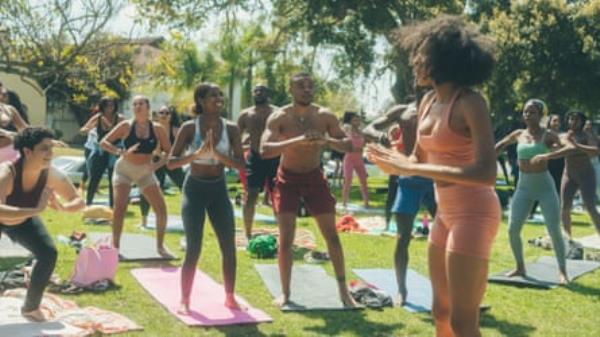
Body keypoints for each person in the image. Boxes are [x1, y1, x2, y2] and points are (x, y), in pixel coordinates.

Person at [368, 15, 498, 336]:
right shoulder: (427, 102)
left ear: (442, 60)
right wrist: (400, 158)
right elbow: (418, 159)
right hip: (445, 214)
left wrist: (410, 168)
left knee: (463, 321)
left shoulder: (470, 103)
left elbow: (487, 172)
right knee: (440, 310)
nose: (415, 60)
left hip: (475, 213)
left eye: (422, 53)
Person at [260, 72, 357, 307]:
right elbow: (264, 149)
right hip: (287, 180)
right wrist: (297, 141)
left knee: (331, 236)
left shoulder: (324, 115)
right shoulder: (279, 117)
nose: (306, 90)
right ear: (291, 90)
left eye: (310, 86)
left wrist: (326, 141)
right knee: (286, 239)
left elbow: (348, 145)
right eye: (300, 86)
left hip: (315, 178)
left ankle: (344, 292)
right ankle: (285, 293)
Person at [167, 83, 246, 313]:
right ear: (201, 100)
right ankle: (185, 300)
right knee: (194, 247)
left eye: (220, 95)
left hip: (218, 190)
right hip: (194, 190)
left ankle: (230, 296)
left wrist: (218, 154)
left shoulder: (231, 129)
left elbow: (242, 165)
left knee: (228, 245)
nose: (218, 98)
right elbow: (171, 162)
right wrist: (197, 155)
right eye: (213, 95)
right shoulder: (189, 128)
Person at [0, 127, 85, 321]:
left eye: (51, 148)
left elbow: (78, 201)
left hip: (22, 221)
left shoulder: (50, 174)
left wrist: (63, 208)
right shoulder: (7, 171)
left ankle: (30, 308)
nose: (50, 153)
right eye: (44, 149)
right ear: (28, 151)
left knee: (48, 254)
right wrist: (35, 210)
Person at [363, 91, 436, 305]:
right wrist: (379, 136)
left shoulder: (443, 106)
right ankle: (402, 290)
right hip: (409, 179)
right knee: (403, 237)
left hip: (437, 177)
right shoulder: (403, 111)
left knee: (447, 237)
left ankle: (449, 287)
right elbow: (369, 128)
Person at [495, 99, 575, 284]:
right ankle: (520, 267)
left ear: (541, 115)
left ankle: (563, 272)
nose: (527, 115)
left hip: (545, 187)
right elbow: (499, 146)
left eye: (532, 112)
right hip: (524, 187)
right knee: (513, 229)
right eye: (525, 112)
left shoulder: (549, 135)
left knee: (554, 229)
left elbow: (570, 147)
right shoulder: (518, 134)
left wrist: (547, 155)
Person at [99, 95, 173, 258]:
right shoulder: (126, 125)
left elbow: (169, 152)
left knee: (161, 207)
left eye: (141, 104)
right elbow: (103, 142)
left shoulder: (157, 128)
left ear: (148, 108)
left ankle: (160, 246)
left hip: (145, 171)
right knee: (120, 207)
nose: (137, 106)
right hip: (124, 170)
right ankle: (115, 247)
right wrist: (120, 152)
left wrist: (155, 165)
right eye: (135, 104)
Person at [237, 85, 280, 239]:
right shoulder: (246, 115)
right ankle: (248, 233)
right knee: (251, 195)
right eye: (256, 90)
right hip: (255, 158)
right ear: (252, 94)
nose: (259, 93)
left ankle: (284, 234)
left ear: (267, 93)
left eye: (262, 90)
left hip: (275, 158)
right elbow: (236, 137)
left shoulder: (277, 113)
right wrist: (238, 158)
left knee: (278, 195)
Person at [139, 105, 185, 227]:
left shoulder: (175, 130)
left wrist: (171, 155)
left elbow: (182, 148)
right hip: (155, 161)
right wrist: (157, 153)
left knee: (185, 185)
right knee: (147, 188)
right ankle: (144, 220)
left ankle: (188, 216)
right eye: (161, 113)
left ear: (171, 116)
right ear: (157, 115)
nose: (164, 115)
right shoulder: (151, 129)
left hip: (170, 161)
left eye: (167, 113)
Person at [561, 112, 600, 237]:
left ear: (582, 122)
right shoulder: (564, 135)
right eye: (571, 119)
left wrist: (577, 146)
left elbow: (595, 151)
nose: (573, 122)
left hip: (586, 175)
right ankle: (568, 238)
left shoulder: (586, 135)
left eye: (576, 120)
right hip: (569, 174)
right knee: (565, 206)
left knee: (590, 206)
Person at [80, 97, 124, 207]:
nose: (109, 108)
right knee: (95, 177)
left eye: (112, 105)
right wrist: (88, 129)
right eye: (106, 105)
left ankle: (112, 206)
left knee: (113, 179)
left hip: (114, 150)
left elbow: (126, 131)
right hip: (100, 150)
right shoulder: (98, 118)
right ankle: (88, 204)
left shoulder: (119, 118)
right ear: (102, 107)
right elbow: (83, 130)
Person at [341, 111, 369, 208]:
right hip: (349, 158)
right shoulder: (347, 130)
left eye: (358, 120)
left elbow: (364, 144)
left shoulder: (361, 132)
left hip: (359, 159)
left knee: (364, 181)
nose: (357, 122)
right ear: (351, 121)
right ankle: (344, 202)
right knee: (348, 180)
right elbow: (342, 140)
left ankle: (366, 203)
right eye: (355, 120)